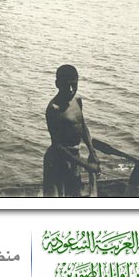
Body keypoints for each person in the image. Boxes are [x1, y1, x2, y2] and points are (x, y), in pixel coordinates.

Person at [43, 65, 100, 197]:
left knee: (74, 195)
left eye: (74, 85)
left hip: (74, 157)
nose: (70, 89)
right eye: (66, 85)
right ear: (57, 84)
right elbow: (57, 146)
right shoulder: (54, 109)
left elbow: (82, 126)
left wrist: (92, 152)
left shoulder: (77, 100)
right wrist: (86, 165)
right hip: (57, 161)